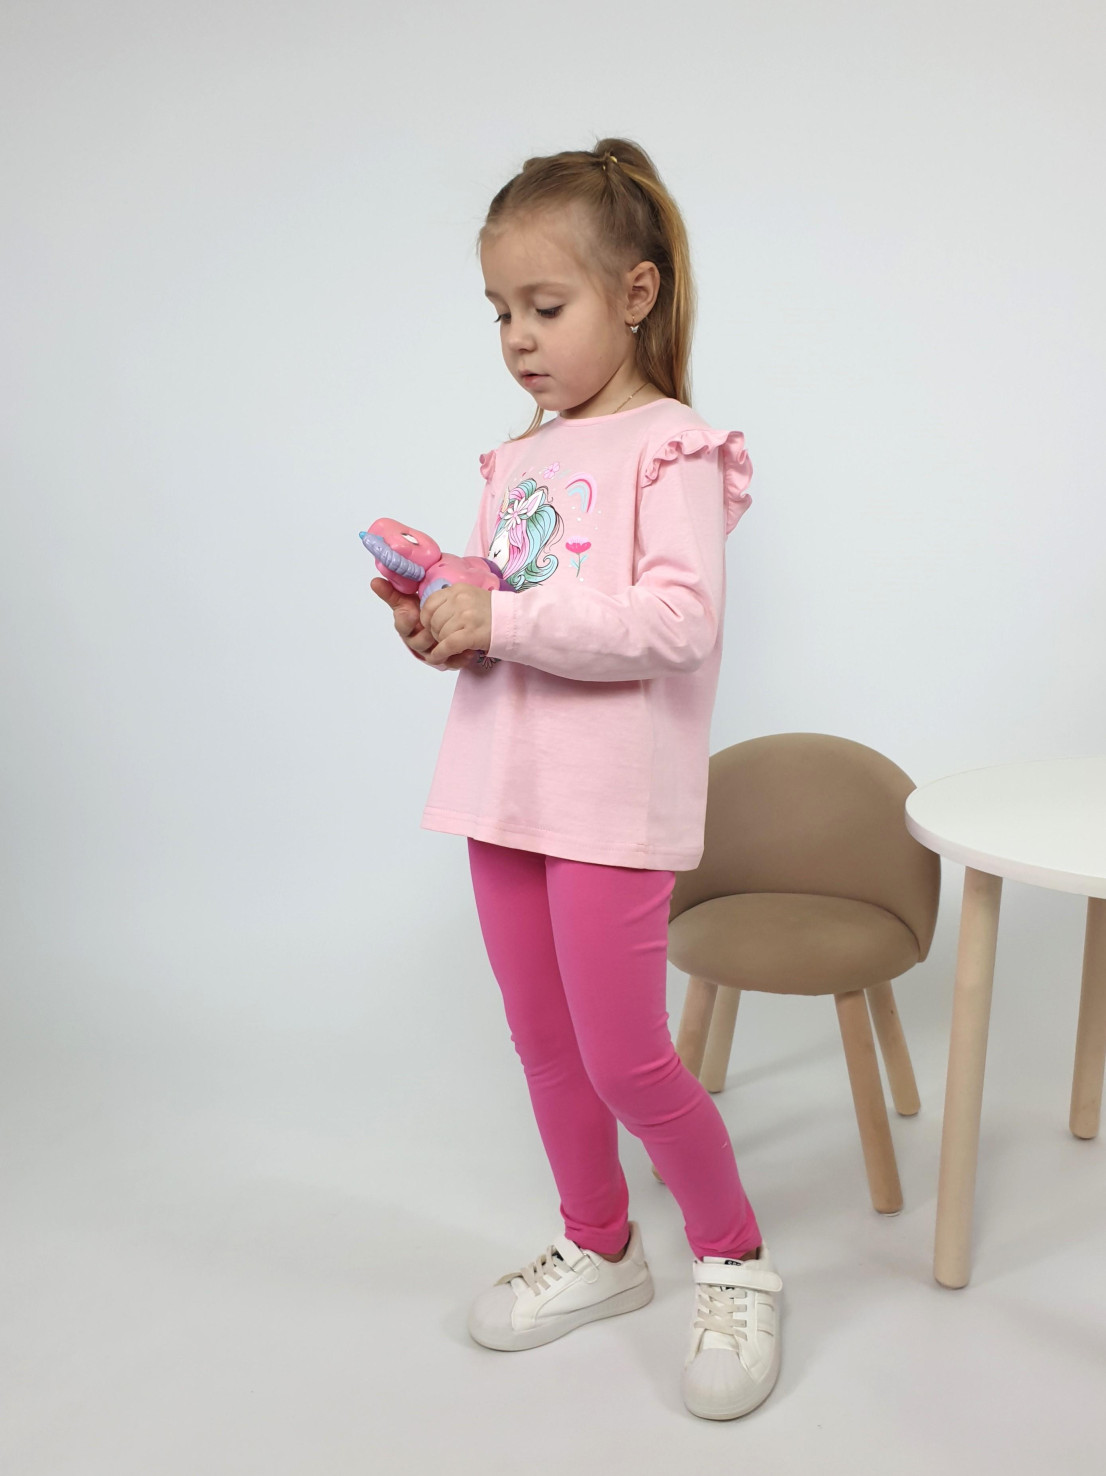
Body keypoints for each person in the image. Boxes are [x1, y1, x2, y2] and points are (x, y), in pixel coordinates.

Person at [372, 137, 783, 1422]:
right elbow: (520, 606)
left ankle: (733, 1260)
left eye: (544, 307)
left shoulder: (674, 451)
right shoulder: (517, 460)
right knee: (544, 1046)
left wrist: (502, 619)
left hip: (608, 803)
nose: (518, 338)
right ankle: (600, 1246)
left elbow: (674, 623)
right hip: (503, 785)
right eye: (499, 311)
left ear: (635, 293)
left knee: (626, 1061)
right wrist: (448, 613)